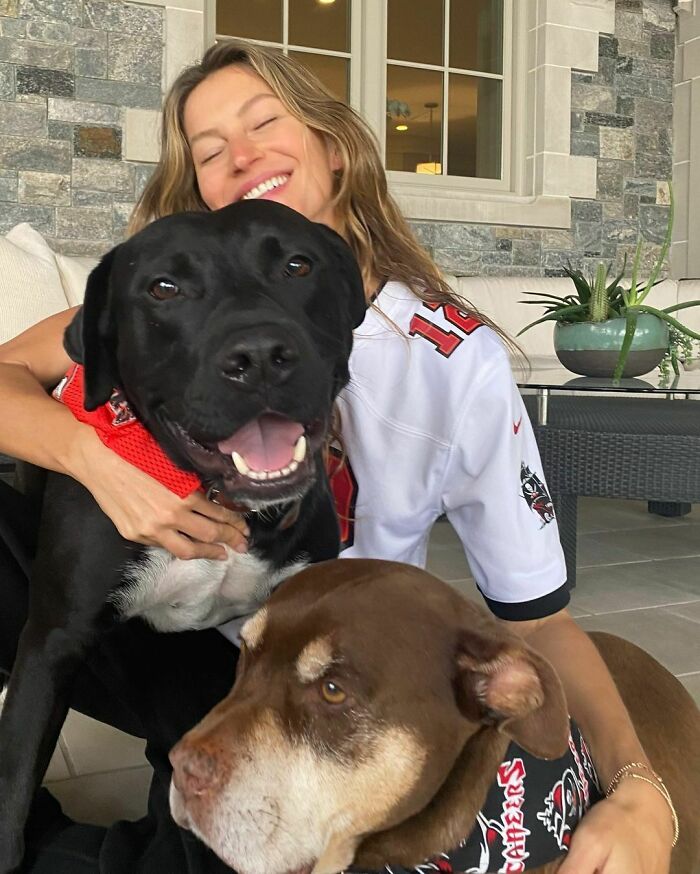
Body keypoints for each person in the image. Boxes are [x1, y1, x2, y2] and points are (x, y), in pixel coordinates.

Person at [0, 38, 676, 874]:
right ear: (202, 191)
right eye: (210, 152)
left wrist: (642, 786)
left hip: (299, 684)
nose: (240, 156)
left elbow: (538, 617)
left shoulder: (452, 361)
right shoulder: (161, 305)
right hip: (155, 629)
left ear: (336, 145)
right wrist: (95, 461)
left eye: (262, 123)